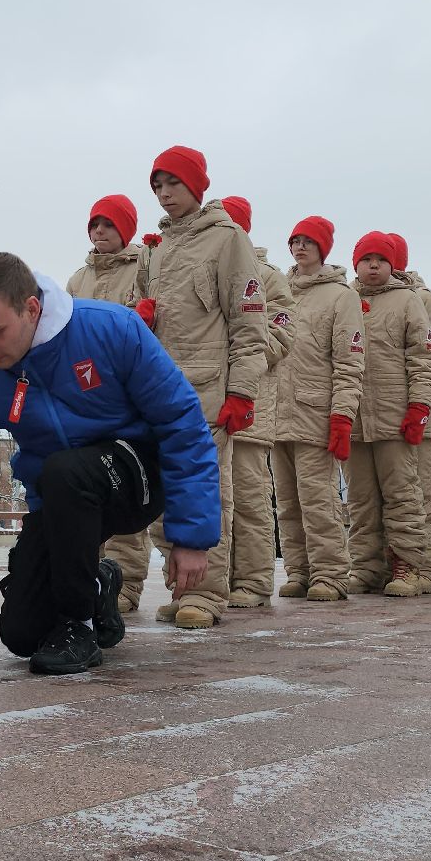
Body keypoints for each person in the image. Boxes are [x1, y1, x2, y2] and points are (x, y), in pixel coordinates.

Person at [0, 253, 221, 673]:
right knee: (23, 633)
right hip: (62, 498)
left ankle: (78, 624)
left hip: (136, 476)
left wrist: (191, 537)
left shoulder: (111, 329)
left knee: (64, 471)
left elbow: (183, 425)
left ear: (31, 307)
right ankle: (98, 586)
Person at [137, 146, 268, 628]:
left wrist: (243, 393)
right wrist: (142, 315)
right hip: (158, 391)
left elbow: (250, 324)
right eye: (157, 187)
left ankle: (207, 595)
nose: (165, 194)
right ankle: (180, 586)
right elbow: (141, 315)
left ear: (196, 186)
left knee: (206, 494)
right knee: (161, 497)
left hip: (208, 392)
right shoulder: (157, 247)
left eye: (172, 184)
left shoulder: (228, 240)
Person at [66, 194, 154, 613]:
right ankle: (86, 579)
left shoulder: (146, 269)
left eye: (108, 225)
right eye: (94, 224)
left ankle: (125, 585)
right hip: (85, 400)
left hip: (127, 395)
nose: (99, 232)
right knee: (88, 492)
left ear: (126, 231)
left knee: (125, 490)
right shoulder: (77, 279)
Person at [340, 231, 431, 597]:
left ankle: (407, 564)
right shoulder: (345, 299)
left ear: (392, 266)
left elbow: (424, 359)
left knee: (402, 495)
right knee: (361, 499)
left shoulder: (407, 301)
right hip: (355, 418)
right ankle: (366, 566)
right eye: (366, 260)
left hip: (395, 416)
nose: (373, 266)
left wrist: (419, 407)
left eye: (380, 260)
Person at [271, 217, 364, 601]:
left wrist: (342, 414)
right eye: (295, 240)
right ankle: (299, 570)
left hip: (316, 412)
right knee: (287, 503)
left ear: (323, 248)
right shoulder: (279, 290)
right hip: (276, 412)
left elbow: (349, 362)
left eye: (309, 241)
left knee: (319, 500)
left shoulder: (341, 296)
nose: (300, 247)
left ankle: (330, 573)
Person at [218, 196, 296, 608]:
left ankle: (251, 579)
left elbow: (282, 331)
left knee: (249, 496)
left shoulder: (268, 277)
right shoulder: (204, 265)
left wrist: (243, 365)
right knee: (213, 495)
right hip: (209, 398)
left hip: (253, 402)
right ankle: (216, 578)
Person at [389, 232, 431, 594]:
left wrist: (418, 404)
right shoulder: (357, 296)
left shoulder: (423, 299)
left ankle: (424, 565)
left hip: (418, 417)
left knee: (418, 495)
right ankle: (380, 565)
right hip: (375, 418)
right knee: (376, 498)